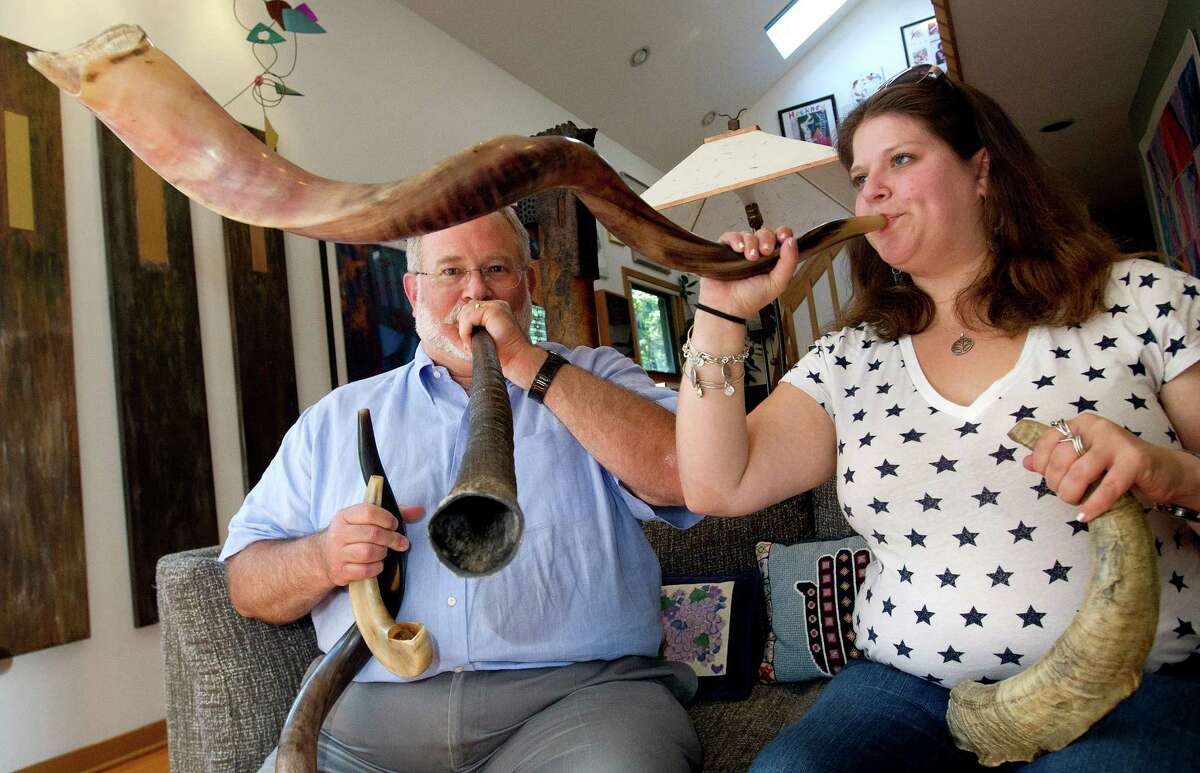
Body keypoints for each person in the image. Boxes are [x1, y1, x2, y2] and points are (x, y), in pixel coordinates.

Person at [675, 65, 1200, 772]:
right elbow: (717, 485)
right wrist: (719, 312)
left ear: (981, 171)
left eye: (901, 159)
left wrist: (1163, 470)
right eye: (861, 177)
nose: (874, 190)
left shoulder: (1143, 298)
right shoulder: (849, 359)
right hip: (908, 687)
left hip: (1134, 684)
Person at [221, 207, 703, 772]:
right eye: (450, 271)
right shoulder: (336, 417)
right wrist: (323, 557)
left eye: (496, 268)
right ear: (413, 290)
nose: (475, 289)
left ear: (526, 283)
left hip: (576, 704)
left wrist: (526, 363)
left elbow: (684, 471)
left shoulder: (599, 376)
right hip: (368, 723)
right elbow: (245, 583)